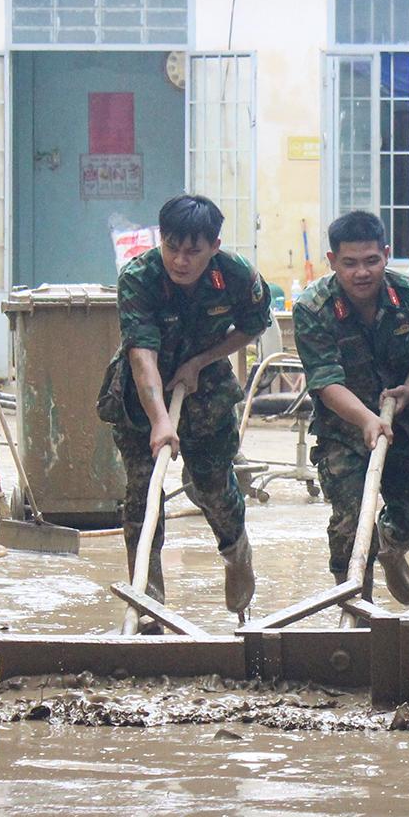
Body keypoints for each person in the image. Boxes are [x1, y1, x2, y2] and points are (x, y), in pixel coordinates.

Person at [97, 194, 270, 620]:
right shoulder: (140, 276)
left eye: (193, 251)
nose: (180, 260)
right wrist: (159, 421)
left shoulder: (237, 275)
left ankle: (236, 553)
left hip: (207, 391)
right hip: (142, 396)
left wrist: (200, 362)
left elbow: (253, 325)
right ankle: (148, 597)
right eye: (171, 247)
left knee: (211, 487)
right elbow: (142, 355)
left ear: (214, 246)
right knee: (143, 494)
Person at [291, 211, 409, 602]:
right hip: (344, 430)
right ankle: (356, 611)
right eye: (349, 263)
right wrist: (366, 420)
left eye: (371, 261)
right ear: (332, 262)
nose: (361, 272)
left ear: (386, 255)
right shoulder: (314, 308)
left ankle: (391, 545)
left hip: (406, 423)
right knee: (349, 523)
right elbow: (326, 382)